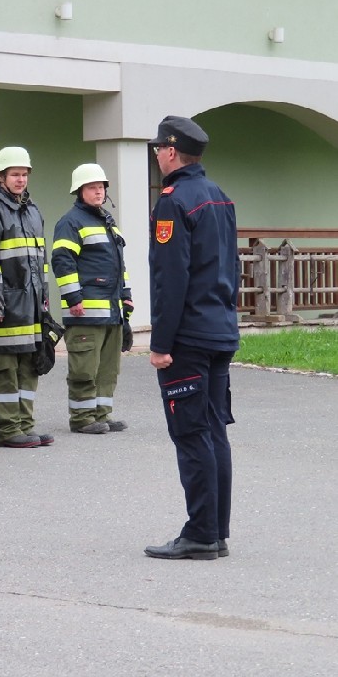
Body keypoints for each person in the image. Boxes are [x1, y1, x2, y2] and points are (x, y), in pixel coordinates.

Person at [144, 115, 239, 561]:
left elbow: (170, 278)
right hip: (219, 329)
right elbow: (232, 267)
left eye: (158, 149)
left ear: (170, 152)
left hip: (188, 336)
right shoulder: (219, 196)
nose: (156, 155)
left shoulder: (173, 201)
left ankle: (200, 532)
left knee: (191, 433)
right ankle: (215, 531)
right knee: (213, 430)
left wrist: (160, 344)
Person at [0, 146, 52, 448]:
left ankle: (25, 425)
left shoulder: (33, 211)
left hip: (32, 304)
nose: (20, 179)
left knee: (30, 365)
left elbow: (41, 262)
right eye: (15, 174)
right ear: (1, 177)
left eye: (24, 174)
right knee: (4, 366)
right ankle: (8, 429)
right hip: (5, 304)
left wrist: (44, 298)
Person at [51, 163, 133, 435]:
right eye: (92, 188)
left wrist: (126, 296)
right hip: (84, 310)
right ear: (79, 191)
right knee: (84, 367)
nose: (98, 192)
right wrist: (73, 297)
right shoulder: (70, 222)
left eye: (101, 187)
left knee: (108, 368)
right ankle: (82, 417)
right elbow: (62, 261)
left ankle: (102, 414)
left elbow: (119, 265)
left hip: (111, 310)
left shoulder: (107, 221)